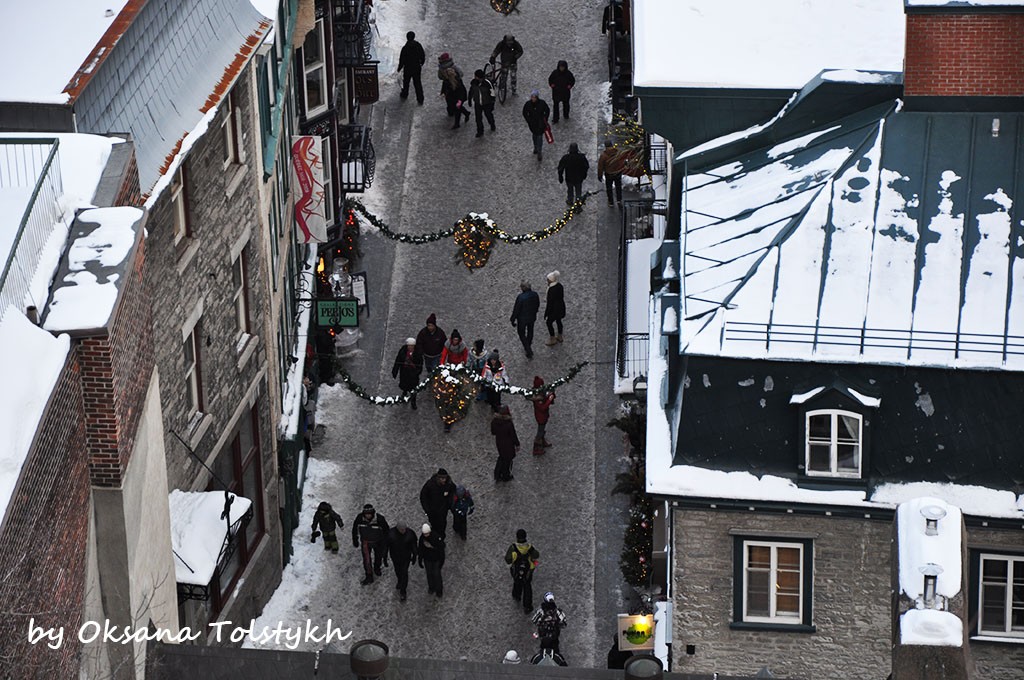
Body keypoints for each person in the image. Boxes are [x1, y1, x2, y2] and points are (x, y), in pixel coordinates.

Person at [352, 503, 390, 585]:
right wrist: (355, 539)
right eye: (366, 514)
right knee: (367, 560)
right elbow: (355, 529)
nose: (368, 516)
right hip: (365, 542)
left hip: (378, 541)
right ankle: (369, 575)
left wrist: (386, 542)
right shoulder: (359, 518)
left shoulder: (380, 519)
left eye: (369, 514)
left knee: (378, 556)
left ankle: (377, 568)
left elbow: (387, 531)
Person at [504, 528, 539, 612]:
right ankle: (527, 606)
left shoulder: (513, 547)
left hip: (516, 570)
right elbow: (536, 556)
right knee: (527, 587)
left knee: (517, 582)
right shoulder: (530, 547)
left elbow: (508, 559)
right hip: (528, 571)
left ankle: (516, 595)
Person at [420, 468, 456, 541]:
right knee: (434, 525)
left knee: (442, 525)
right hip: (432, 511)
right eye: (442, 478)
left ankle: (441, 538)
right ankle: (435, 537)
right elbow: (423, 497)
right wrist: (427, 509)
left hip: (443, 510)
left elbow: (453, 492)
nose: (444, 480)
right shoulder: (430, 484)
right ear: (438, 478)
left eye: (445, 478)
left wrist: (449, 503)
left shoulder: (449, 484)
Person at [437, 53, 470, 128]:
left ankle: (457, 123)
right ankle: (466, 113)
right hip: (455, 96)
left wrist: (444, 93)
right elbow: (461, 74)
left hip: (455, 96)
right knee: (457, 107)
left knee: (457, 108)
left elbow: (440, 78)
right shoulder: (455, 79)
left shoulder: (448, 80)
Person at [387, 521, 418, 601]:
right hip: (395, 557)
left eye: (404, 529)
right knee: (397, 570)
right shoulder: (391, 534)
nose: (403, 531)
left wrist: (414, 555)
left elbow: (414, 545)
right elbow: (386, 545)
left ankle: (403, 591)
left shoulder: (410, 534)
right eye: (401, 529)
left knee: (404, 572)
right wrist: (384, 557)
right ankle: (399, 581)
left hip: (406, 557)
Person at [510, 281, 541, 358]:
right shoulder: (535, 294)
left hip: (522, 319)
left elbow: (516, 310)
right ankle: (528, 344)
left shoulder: (521, 297)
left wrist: (512, 319)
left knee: (521, 334)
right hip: (532, 317)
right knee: (530, 331)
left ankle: (528, 349)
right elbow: (537, 304)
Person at [391, 337, 423, 409]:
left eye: (412, 346)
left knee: (414, 388)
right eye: (409, 345)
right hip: (404, 372)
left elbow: (420, 363)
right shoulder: (403, 351)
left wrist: (417, 372)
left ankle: (413, 401)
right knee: (405, 385)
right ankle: (404, 394)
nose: (410, 347)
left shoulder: (418, 352)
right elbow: (398, 360)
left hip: (413, 374)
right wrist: (395, 371)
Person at [491, 405, 520, 482]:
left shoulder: (494, 421)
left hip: (499, 442)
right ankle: (505, 476)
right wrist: (517, 444)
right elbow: (513, 435)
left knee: (502, 457)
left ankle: (497, 474)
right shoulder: (508, 423)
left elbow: (493, 432)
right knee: (508, 460)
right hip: (508, 444)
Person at [418, 523, 446, 597]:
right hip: (427, 559)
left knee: (437, 575)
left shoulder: (436, 537)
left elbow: (441, 549)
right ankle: (431, 587)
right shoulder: (422, 539)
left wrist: (441, 560)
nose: (426, 535)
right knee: (429, 574)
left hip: (436, 559)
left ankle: (439, 590)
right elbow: (420, 550)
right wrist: (420, 559)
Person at [529, 376, 556, 454]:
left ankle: (542, 441)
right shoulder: (537, 397)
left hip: (543, 416)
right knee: (540, 432)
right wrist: (549, 400)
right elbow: (542, 408)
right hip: (541, 417)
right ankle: (536, 448)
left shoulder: (539, 393)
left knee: (542, 430)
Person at [398, 31, 426, 104]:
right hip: (416, 67)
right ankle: (420, 98)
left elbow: (402, 59)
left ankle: (405, 94)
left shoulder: (405, 48)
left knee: (406, 82)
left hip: (408, 68)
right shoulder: (418, 45)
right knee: (417, 83)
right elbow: (422, 55)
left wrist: (399, 68)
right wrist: (421, 63)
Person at [522, 90, 550, 160]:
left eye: (534, 97)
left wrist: (545, 118)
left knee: (540, 136)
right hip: (532, 124)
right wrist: (528, 120)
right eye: (532, 97)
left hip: (540, 123)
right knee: (534, 135)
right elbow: (524, 113)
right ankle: (535, 147)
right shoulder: (528, 104)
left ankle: (539, 150)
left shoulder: (542, 103)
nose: (533, 98)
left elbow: (547, 110)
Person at [468, 69, 496, 138]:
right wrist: (469, 99)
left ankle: (492, 124)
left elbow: (492, 92)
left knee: (488, 115)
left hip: (487, 103)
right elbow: (471, 91)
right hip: (478, 103)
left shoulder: (487, 83)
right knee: (478, 118)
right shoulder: (474, 83)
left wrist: (492, 102)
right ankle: (480, 131)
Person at [597, 140, 625, 207]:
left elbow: (600, 166)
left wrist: (600, 175)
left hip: (609, 173)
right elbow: (622, 161)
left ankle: (611, 202)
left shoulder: (604, 155)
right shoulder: (618, 152)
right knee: (618, 186)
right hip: (617, 172)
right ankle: (619, 200)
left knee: (609, 188)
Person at [543, 271, 565, 345]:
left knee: (549, 323)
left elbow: (549, 304)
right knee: (559, 321)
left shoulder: (551, 290)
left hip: (553, 310)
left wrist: (546, 313)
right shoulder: (560, 286)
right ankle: (560, 335)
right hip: (561, 307)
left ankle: (552, 338)